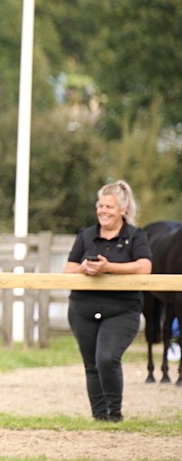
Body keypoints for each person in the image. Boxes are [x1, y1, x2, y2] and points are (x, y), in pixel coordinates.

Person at [64, 180, 152, 422]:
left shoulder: (135, 236)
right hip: (83, 308)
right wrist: (83, 268)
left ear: (123, 209)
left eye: (109, 207)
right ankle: (99, 416)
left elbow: (144, 267)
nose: (103, 211)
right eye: (100, 206)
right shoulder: (86, 235)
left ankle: (115, 413)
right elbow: (67, 269)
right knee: (91, 363)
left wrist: (108, 267)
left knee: (107, 358)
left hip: (121, 310)